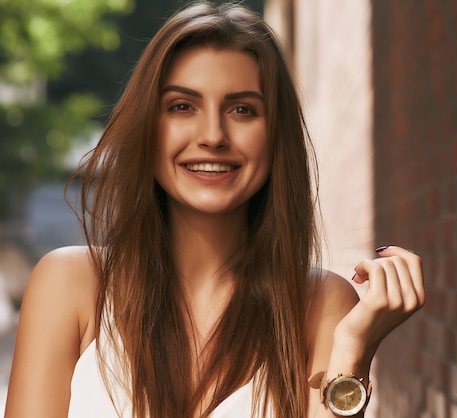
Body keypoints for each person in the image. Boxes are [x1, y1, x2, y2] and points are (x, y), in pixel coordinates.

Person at [4, 2, 425, 417]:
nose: (212, 135)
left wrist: (353, 351)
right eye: (182, 106)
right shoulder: (67, 286)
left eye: (242, 110)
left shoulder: (322, 304)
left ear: (275, 135)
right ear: (149, 127)